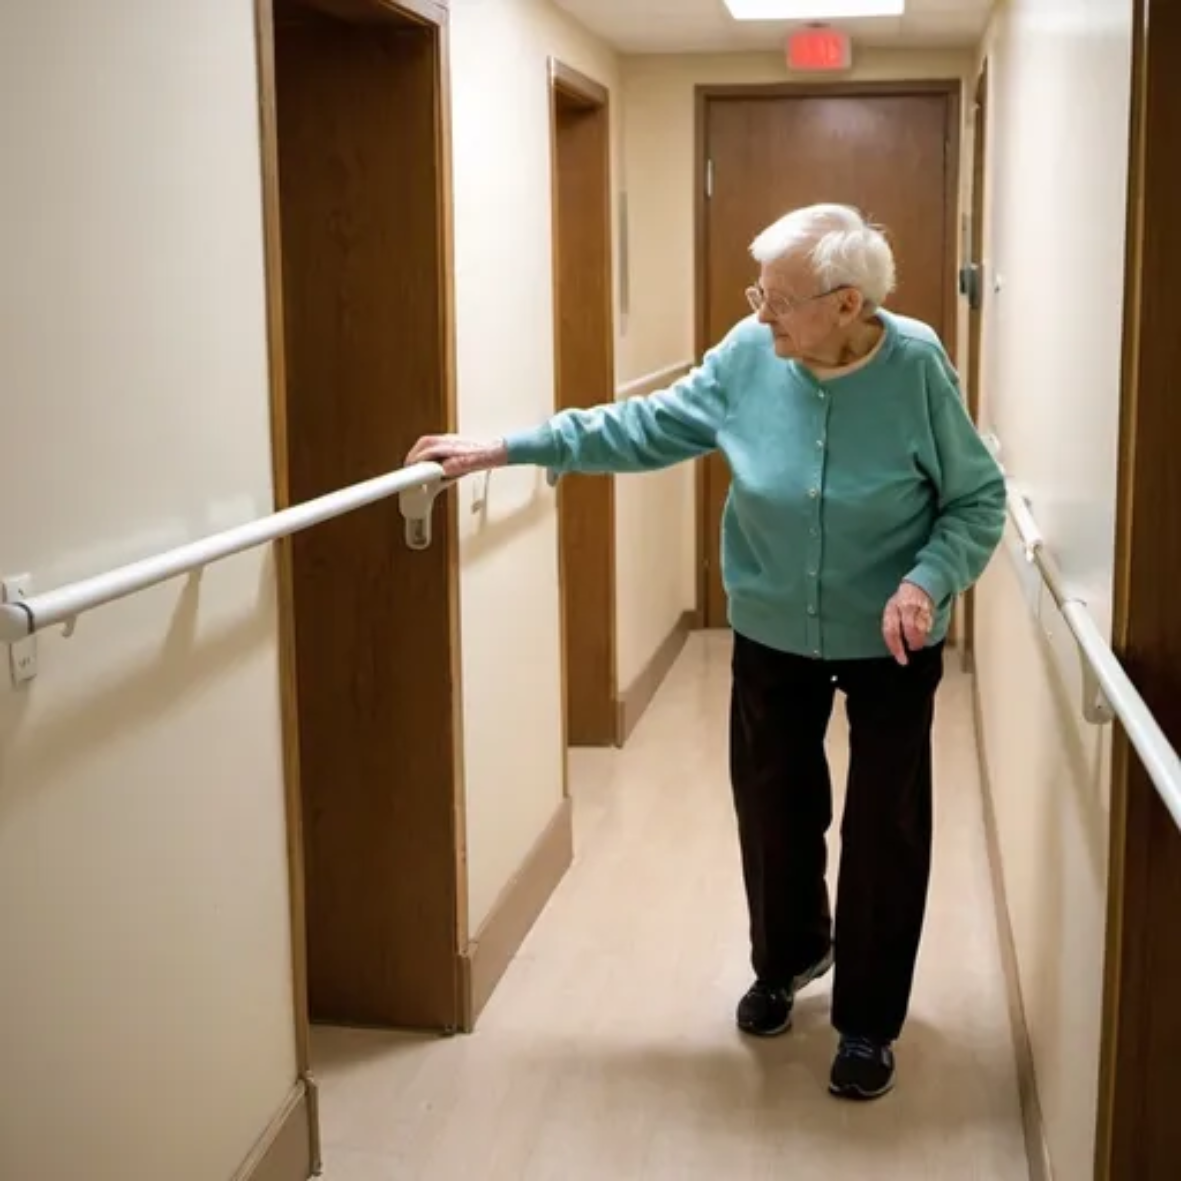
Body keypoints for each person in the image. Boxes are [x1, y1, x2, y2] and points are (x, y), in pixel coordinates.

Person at [407, 203, 1006, 1101]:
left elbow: (976, 499)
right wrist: (507, 446)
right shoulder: (745, 355)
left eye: (780, 299)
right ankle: (791, 957)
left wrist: (926, 580)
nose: (761, 312)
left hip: (892, 632)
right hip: (771, 625)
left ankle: (868, 1021)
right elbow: (643, 427)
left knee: (885, 825)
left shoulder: (915, 363)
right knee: (772, 807)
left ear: (846, 306)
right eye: (757, 293)